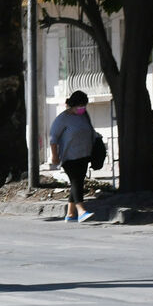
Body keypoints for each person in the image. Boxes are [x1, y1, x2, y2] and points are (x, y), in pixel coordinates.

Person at [49, 91, 97, 222]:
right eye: (80, 106)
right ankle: (81, 211)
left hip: (84, 154)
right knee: (76, 181)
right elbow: (53, 138)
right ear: (72, 105)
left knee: (78, 182)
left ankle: (70, 214)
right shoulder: (62, 118)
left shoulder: (84, 115)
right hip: (68, 157)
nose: (82, 108)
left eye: (84, 106)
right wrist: (54, 156)